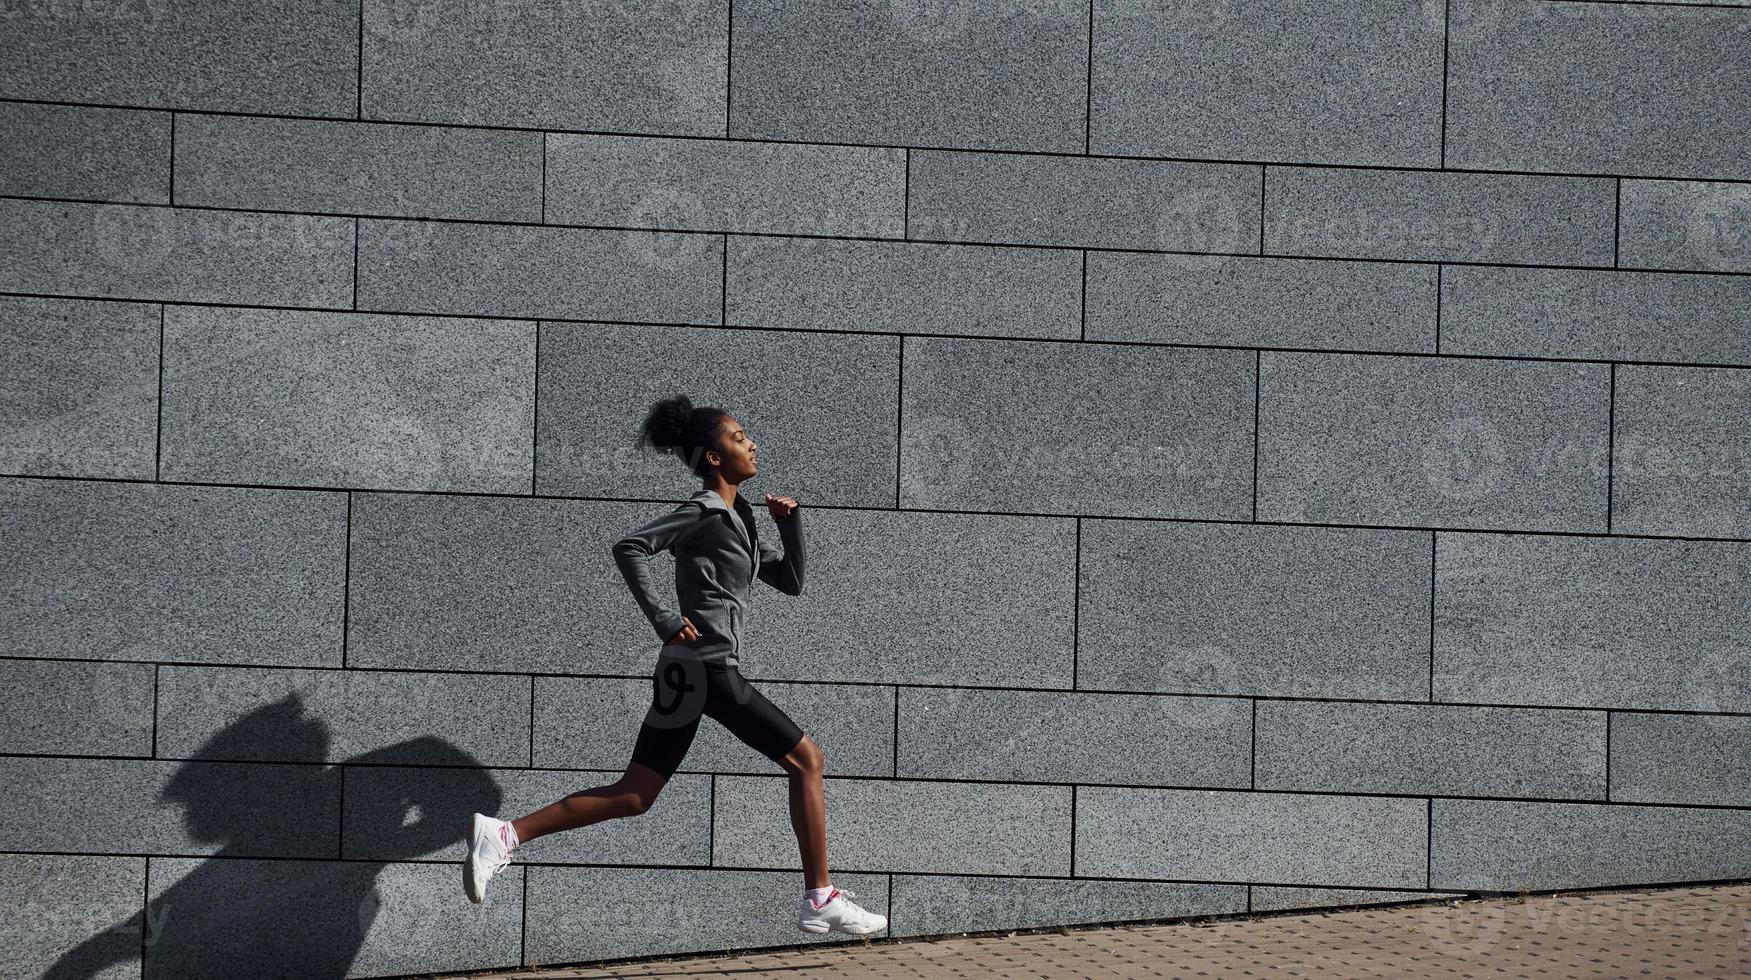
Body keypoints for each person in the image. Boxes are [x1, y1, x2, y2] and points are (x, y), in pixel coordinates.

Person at [463, 394, 887, 936]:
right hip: (705, 665)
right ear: (713, 457)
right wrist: (665, 618)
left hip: (685, 672)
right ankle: (820, 896)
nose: (751, 444)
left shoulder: (742, 519)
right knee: (807, 759)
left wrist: (792, 524)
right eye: (738, 438)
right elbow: (631, 547)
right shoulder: (705, 511)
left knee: (636, 794)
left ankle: (504, 836)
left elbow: (792, 582)